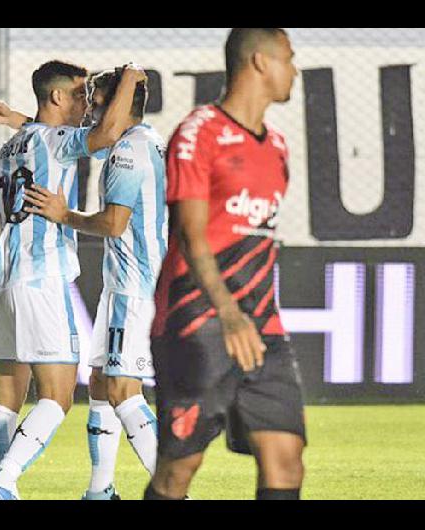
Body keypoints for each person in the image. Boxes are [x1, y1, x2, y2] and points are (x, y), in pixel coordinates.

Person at [0, 60, 146, 500]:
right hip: (41, 276)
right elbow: (106, 134)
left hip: (2, 278)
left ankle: (1, 481)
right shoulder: (59, 141)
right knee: (58, 395)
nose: (88, 103)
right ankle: (2, 481)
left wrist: (12, 117)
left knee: (6, 398)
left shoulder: (10, 147)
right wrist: (129, 79)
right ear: (57, 98)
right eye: (81, 94)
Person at [146, 28, 306, 501]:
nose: (294, 70)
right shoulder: (199, 134)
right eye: (289, 59)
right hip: (197, 322)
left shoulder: (276, 145)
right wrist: (228, 314)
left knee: (286, 460)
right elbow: (192, 238)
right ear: (260, 62)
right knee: (179, 470)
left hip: (262, 327)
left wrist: (247, 317)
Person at [21, 68, 167, 500]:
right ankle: (100, 489)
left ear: (117, 106)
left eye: (95, 102)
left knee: (124, 390)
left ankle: (171, 489)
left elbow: (114, 223)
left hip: (134, 286)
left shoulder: (126, 154)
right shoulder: (149, 140)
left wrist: (64, 215)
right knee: (102, 383)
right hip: (128, 284)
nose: (89, 111)